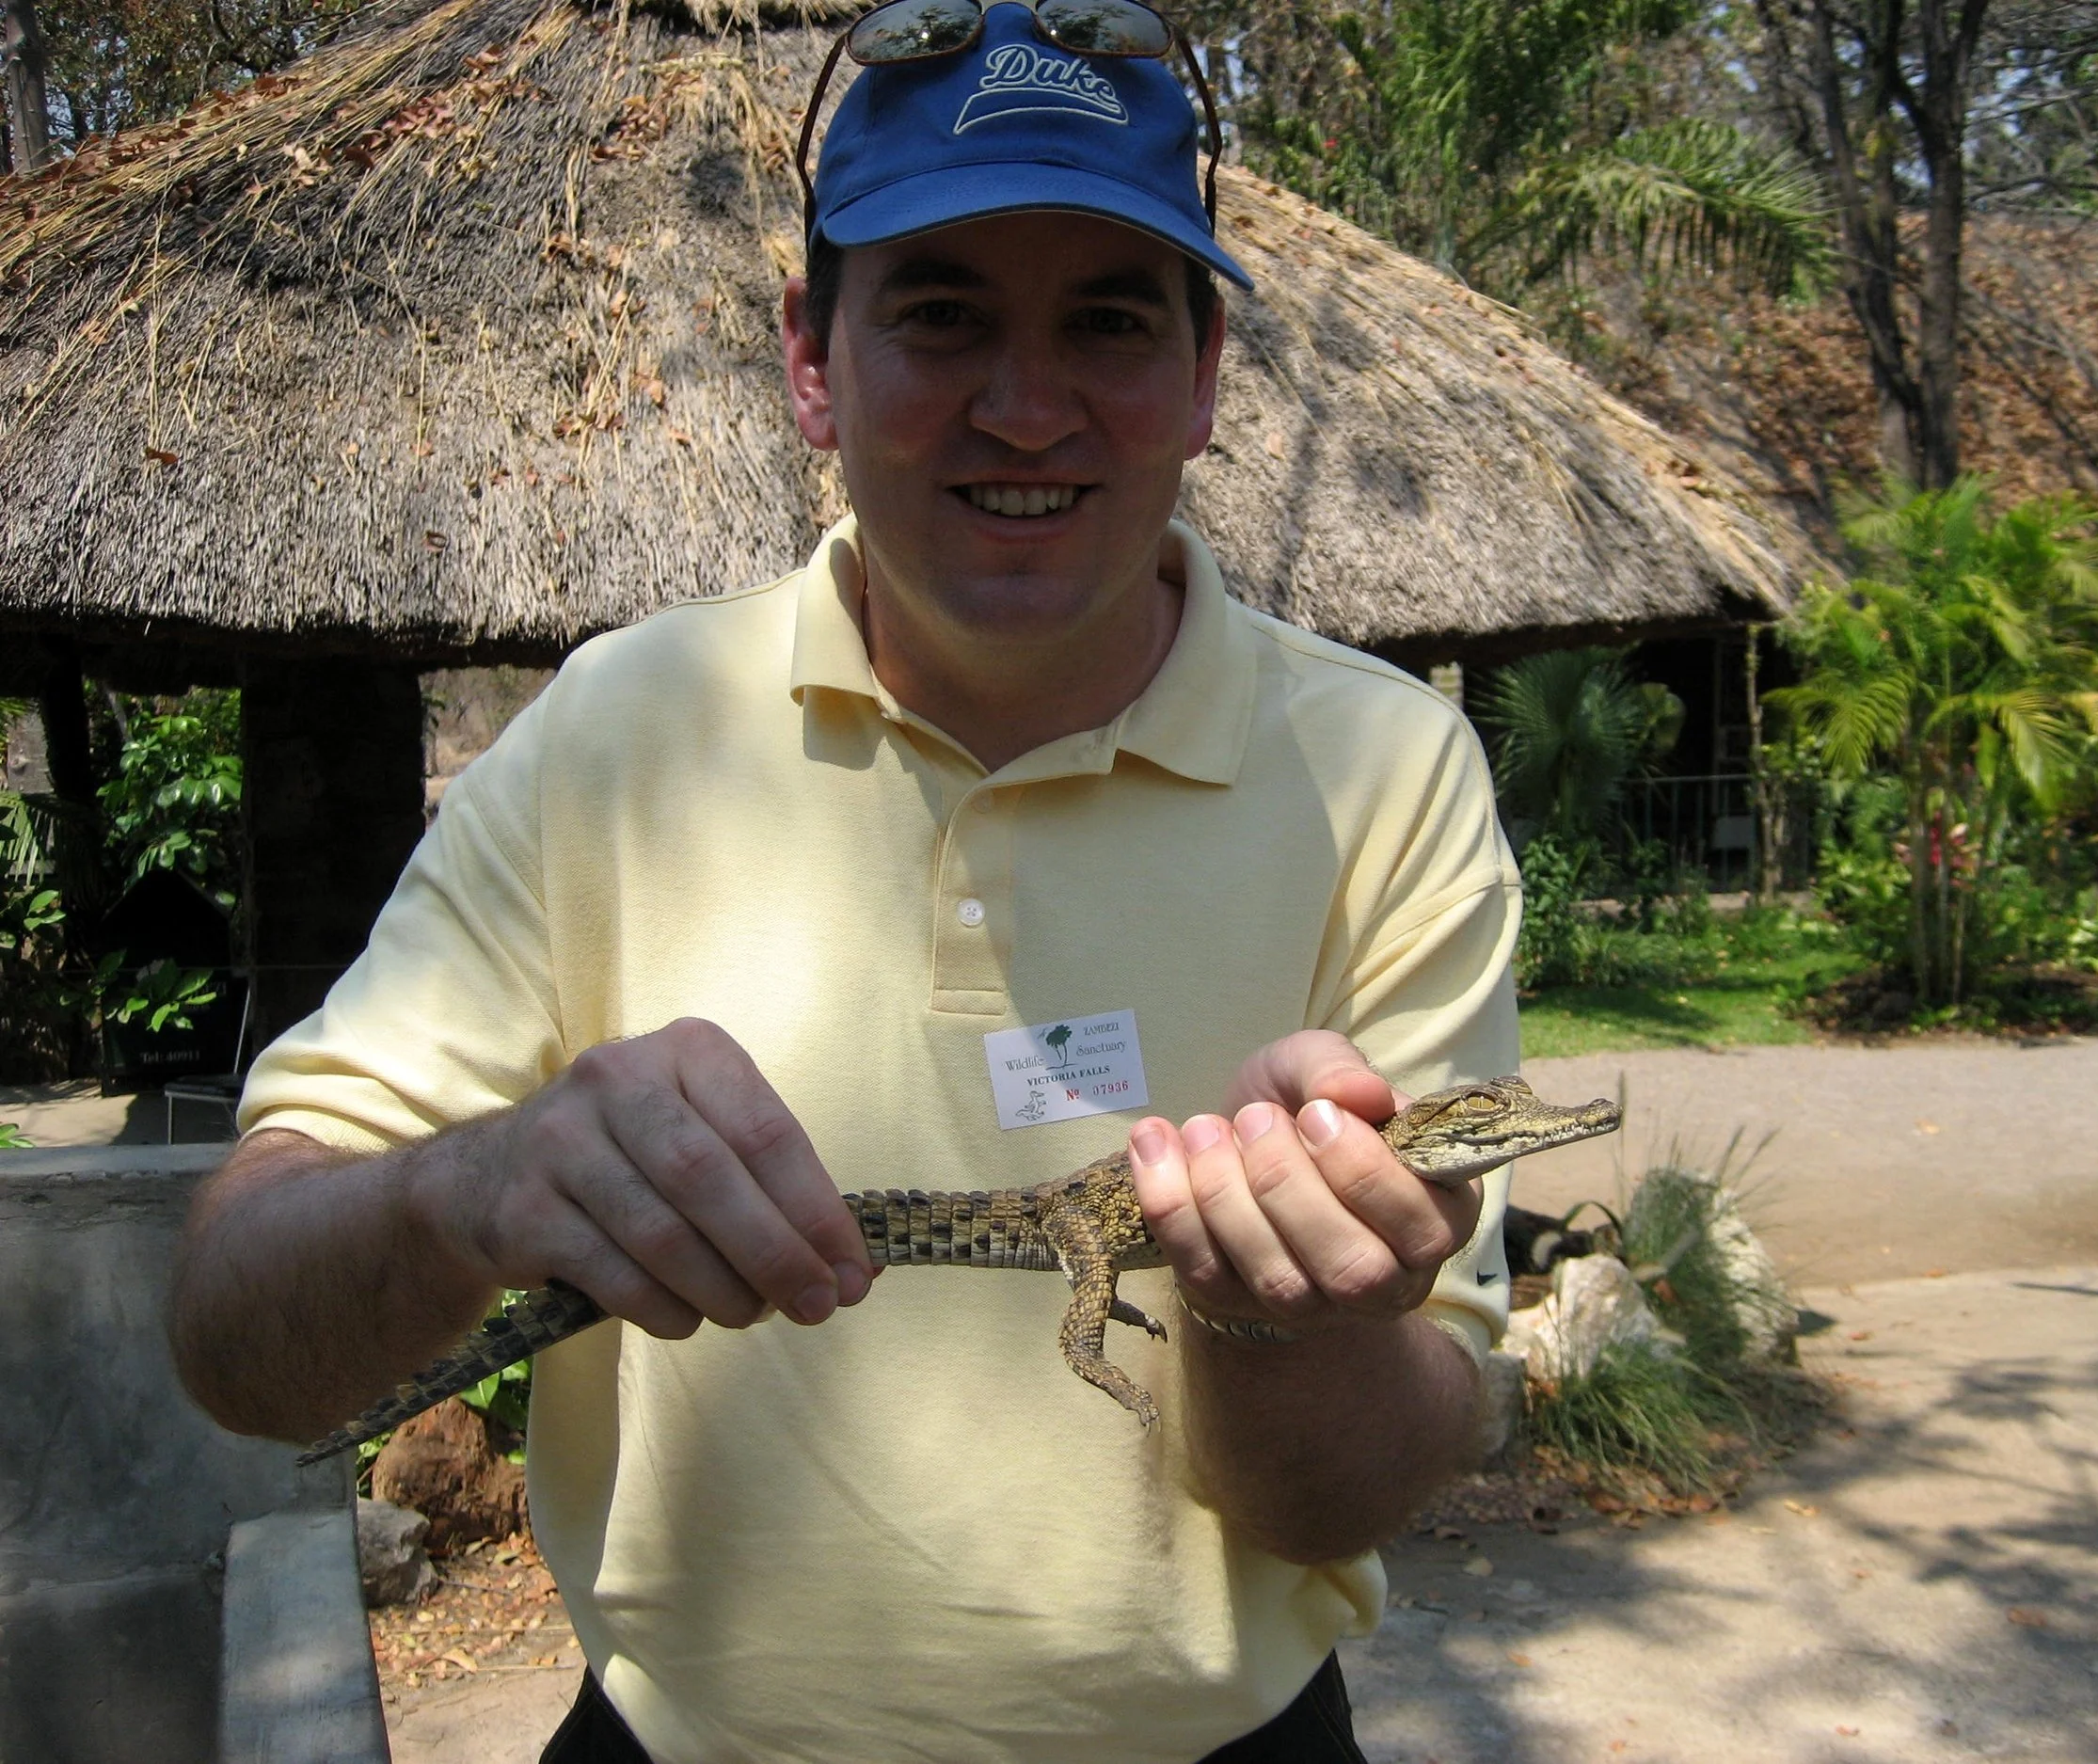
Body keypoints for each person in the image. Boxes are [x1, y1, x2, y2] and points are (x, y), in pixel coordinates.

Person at [169, 3, 1522, 1757]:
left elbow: (1355, 1489)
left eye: (1108, 319)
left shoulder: (1388, 772)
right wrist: (473, 1186)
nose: (1026, 408)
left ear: (1202, 381)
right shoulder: (612, 736)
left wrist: (1271, 1316)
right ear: (814, 358)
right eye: (942, 312)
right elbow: (231, 1337)